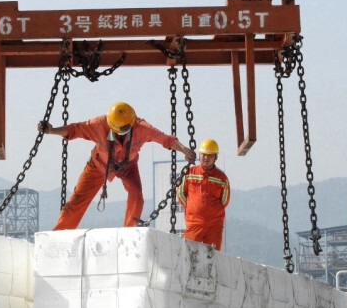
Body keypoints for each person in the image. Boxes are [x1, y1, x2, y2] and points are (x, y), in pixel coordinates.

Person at [38, 102, 196, 230]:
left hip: (128, 166)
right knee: (77, 200)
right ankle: (60, 233)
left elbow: (164, 139)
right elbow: (74, 130)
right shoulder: (98, 124)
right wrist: (52, 130)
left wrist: (184, 150)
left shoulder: (141, 127)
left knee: (136, 195)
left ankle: (129, 232)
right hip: (98, 164)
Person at [177, 139, 230, 250]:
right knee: (188, 253)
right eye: (203, 155)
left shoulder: (222, 178)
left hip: (214, 224)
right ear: (199, 155)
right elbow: (181, 193)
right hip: (194, 222)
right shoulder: (190, 173)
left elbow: (225, 200)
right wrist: (192, 207)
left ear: (215, 157)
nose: (206, 158)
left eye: (209, 156)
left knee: (212, 256)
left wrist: (213, 212)